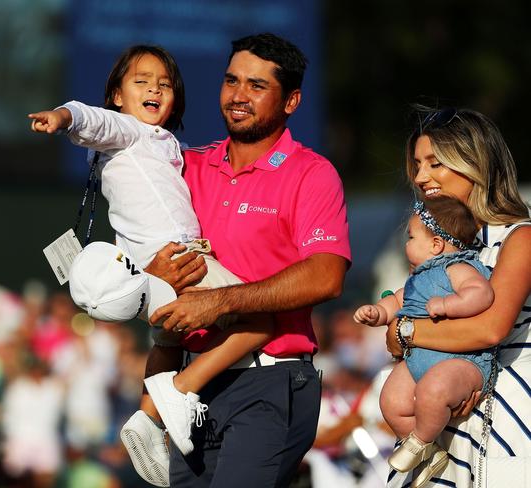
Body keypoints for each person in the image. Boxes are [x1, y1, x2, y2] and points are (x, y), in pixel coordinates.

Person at [28, 45, 274, 486]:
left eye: (164, 84)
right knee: (263, 317)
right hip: (181, 258)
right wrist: (64, 117)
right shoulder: (129, 130)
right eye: (141, 81)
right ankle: (177, 393)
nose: (155, 89)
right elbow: (93, 119)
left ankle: (146, 421)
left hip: (150, 273)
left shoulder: (160, 144)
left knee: (167, 343)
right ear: (117, 96)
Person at [140, 32, 351, 486]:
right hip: (192, 383)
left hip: (271, 379)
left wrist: (221, 302)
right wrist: (150, 275)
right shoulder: (187, 165)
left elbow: (327, 275)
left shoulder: (311, 173)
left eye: (257, 86)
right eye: (231, 81)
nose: (238, 96)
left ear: (291, 100)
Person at [384, 106, 531, 487]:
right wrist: (401, 331)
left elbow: (490, 329)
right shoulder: (438, 248)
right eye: (417, 164)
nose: (420, 176)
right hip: (439, 417)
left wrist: (407, 331)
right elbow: (396, 335)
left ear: (475, 164)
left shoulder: (520, 237)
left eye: (435, 163)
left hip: (506, 419)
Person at [354, 196, 495, 487]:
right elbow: (397, 300)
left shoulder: (458, 269)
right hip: (421, 358)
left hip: (461, 360)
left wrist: (448, 305)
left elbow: (481, 294)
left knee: (434, 390)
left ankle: (419, 441)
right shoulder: (418, 278)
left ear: (436, 245)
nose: (406, 244)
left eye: (411, 237)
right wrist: (378, 312)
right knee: (391, 400)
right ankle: (429, 451)